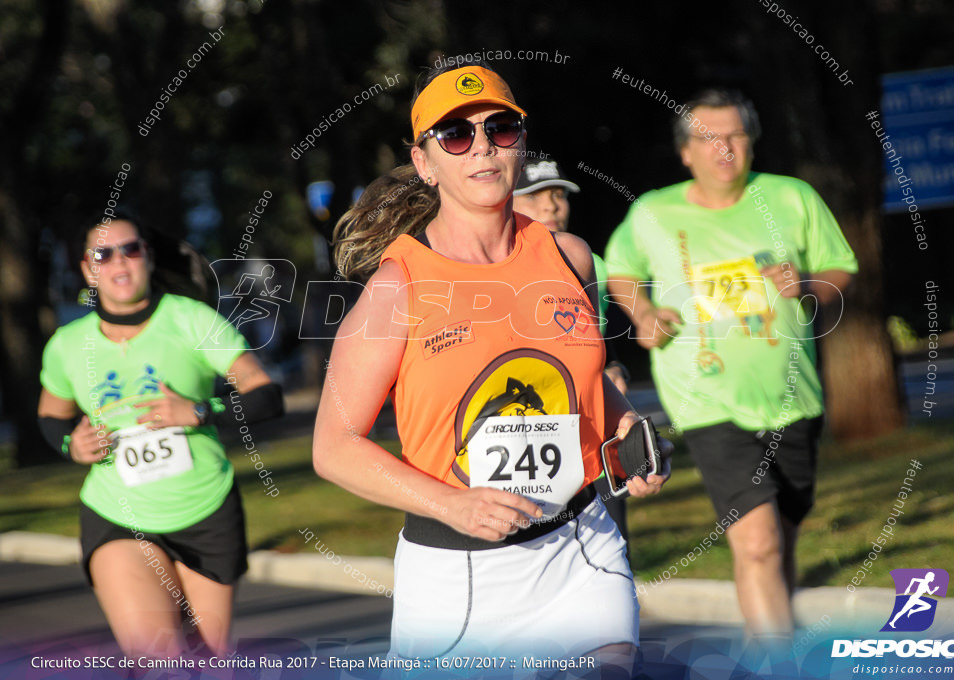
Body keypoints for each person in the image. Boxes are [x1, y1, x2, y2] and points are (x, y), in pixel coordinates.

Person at [315, 62, 670, 665]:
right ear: (425, 162)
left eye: (500, 128)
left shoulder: (570, 256)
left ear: (521, 144)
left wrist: (628, 432)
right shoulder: (397, 288)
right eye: (456, 135)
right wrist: (454, 504)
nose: (482, 146)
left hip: (581, 549)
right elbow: (333, 447)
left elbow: (588, 384)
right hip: (459, 581)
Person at [605, 89, 858, 640]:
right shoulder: (653, 211)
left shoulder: (791, 198)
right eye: (708, 137)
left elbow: (840, 268)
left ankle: (766, 642)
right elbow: (620, 269)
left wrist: (810, 286)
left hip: (794, 396)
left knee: (780, 543)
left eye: (736, 136)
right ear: (685, 152)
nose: (725, 149)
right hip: (706, 399)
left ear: (752, 142)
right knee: (759, 541)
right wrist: (643, 310)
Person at [37, 215, 284, 658]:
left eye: (130, 249)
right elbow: (51, 416)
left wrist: (198, 411)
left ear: (147, 257)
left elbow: (266, 397)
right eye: (103, 253)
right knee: (159, 661)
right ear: (87, 269)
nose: (119, 261)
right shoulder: (67, 344)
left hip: (206, 507)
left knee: (210, 662)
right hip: (118, 512)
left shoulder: (191, 320)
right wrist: (70, 445)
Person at [511, 156, 633, 548]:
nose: (551, 206)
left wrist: (614, 366)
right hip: (526, 413)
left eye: (559, 195)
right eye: (534, 196)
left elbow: (594, 335)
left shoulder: (587, 259)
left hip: (588, 412)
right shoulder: (497, 262)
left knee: (608, 514)